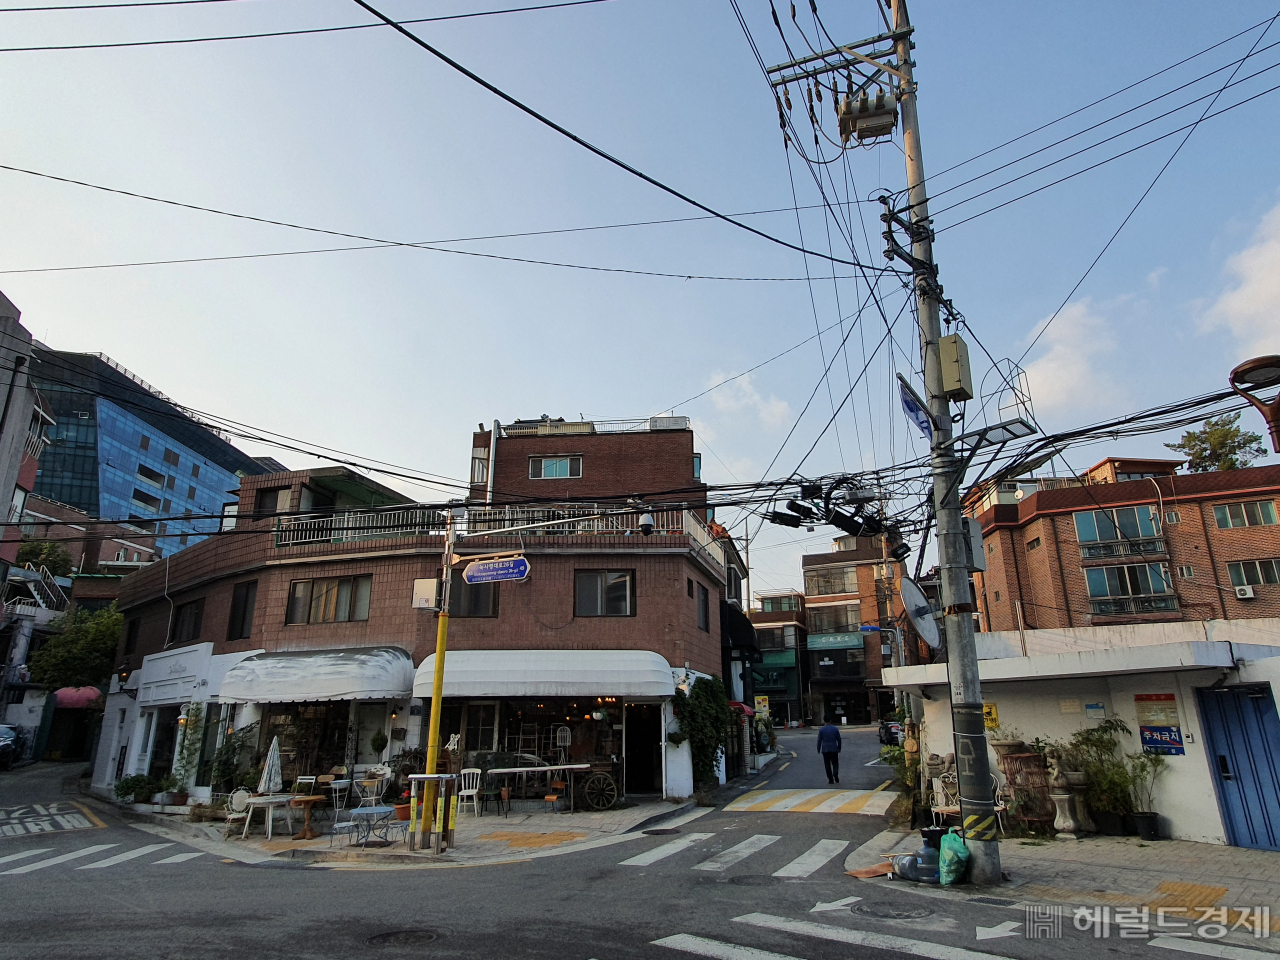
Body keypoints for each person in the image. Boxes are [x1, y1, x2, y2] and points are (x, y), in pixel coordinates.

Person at [816, 715, 842, 784]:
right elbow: (839, 739)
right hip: (834, 748)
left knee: (827, 765)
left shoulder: (822, 730)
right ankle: (835, 774)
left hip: (825, 749)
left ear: (824, 721)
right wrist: (839, 747)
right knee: (835, 763)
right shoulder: (835, 729)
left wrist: (818, 748)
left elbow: (819, 740)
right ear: (831, 720)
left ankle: (830, 779)